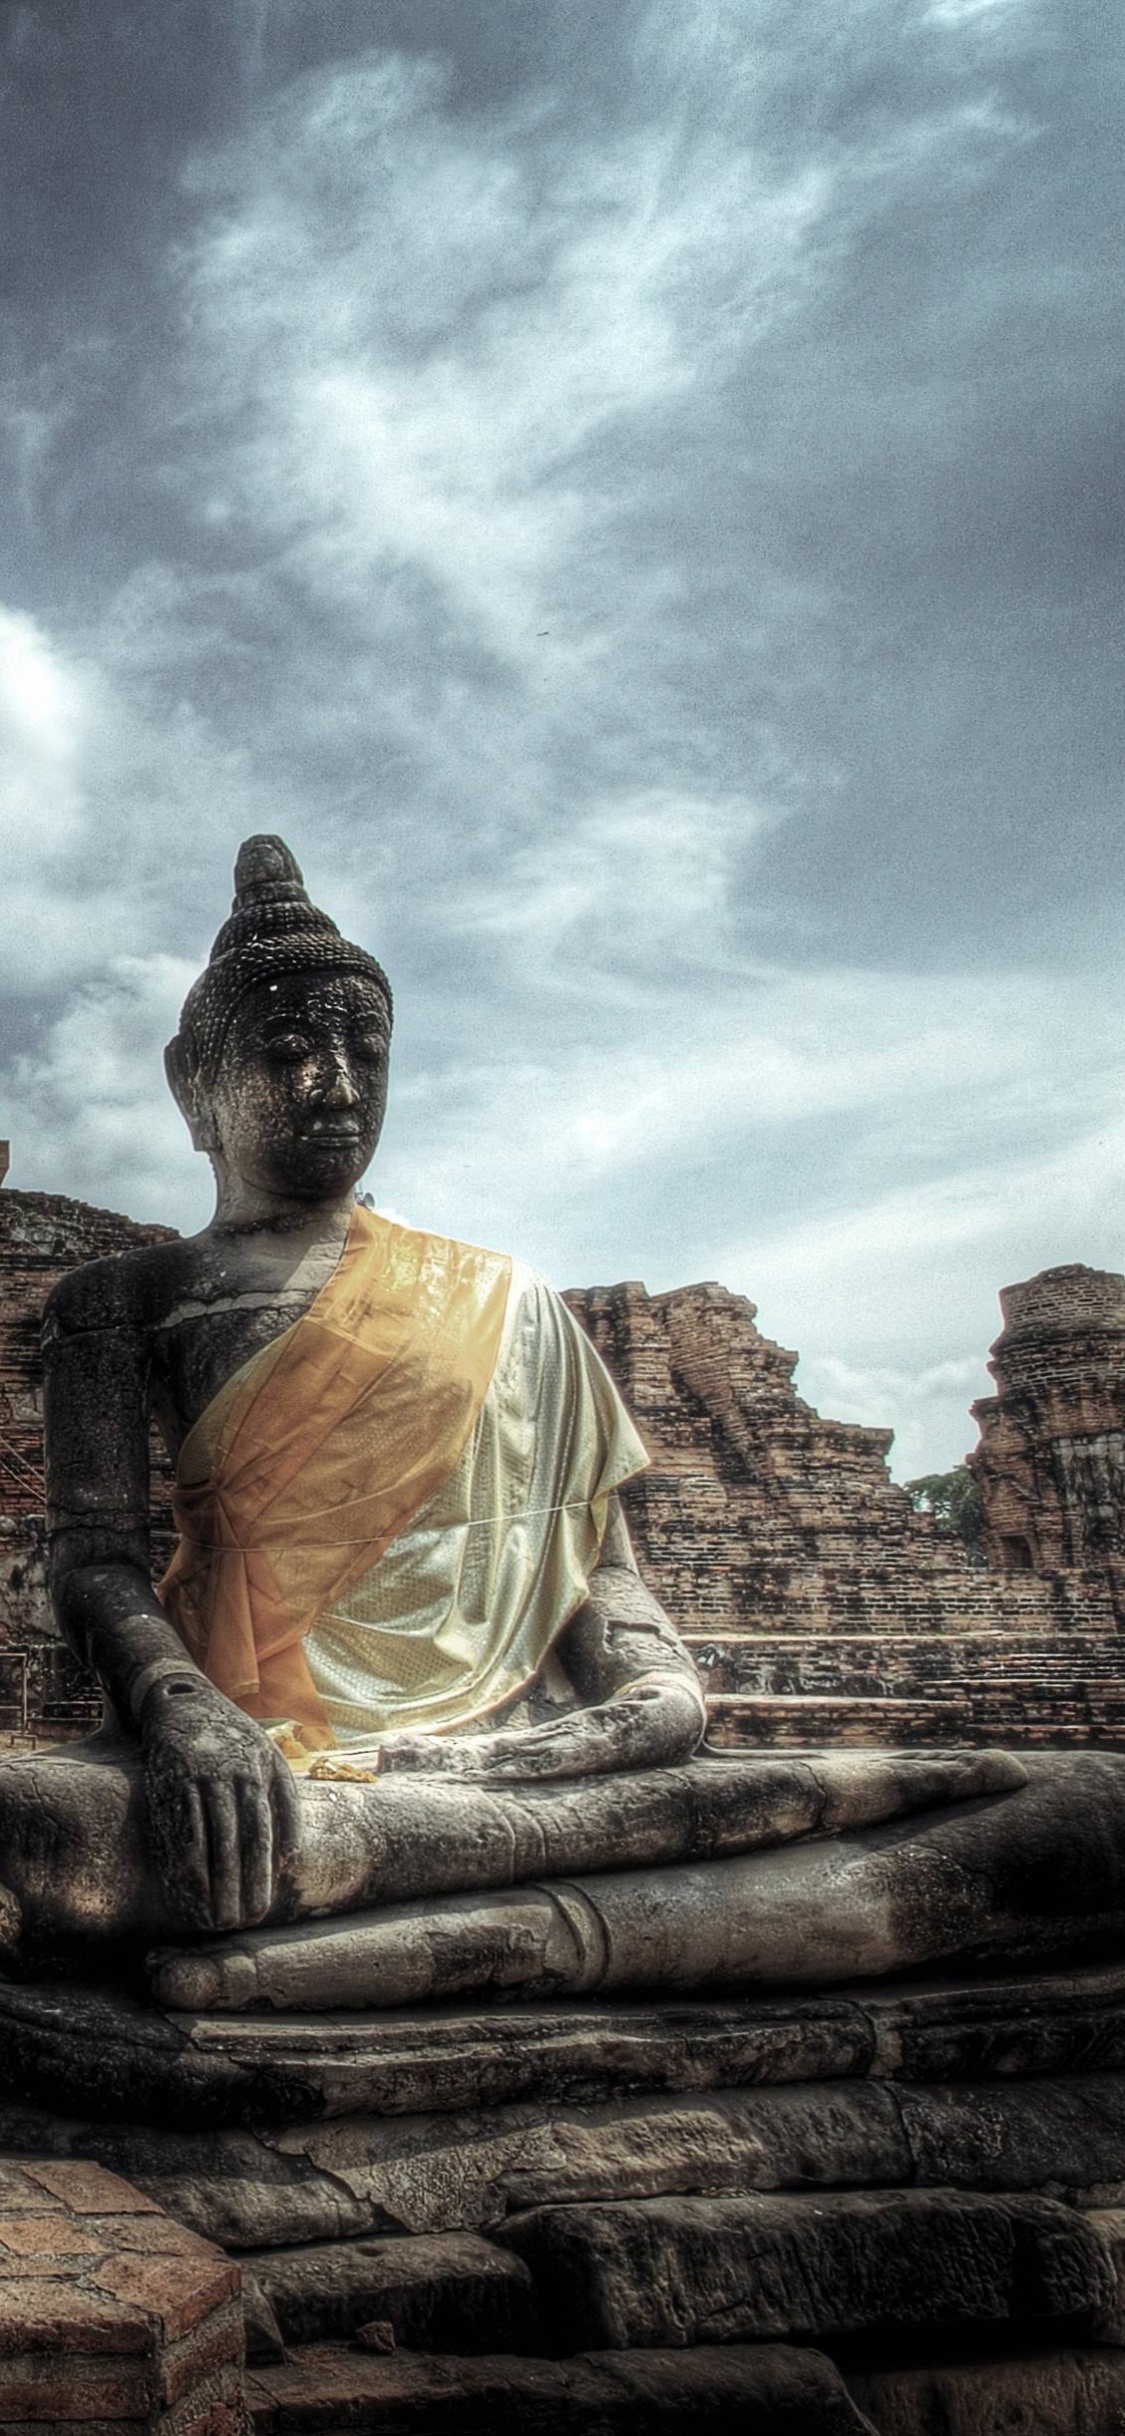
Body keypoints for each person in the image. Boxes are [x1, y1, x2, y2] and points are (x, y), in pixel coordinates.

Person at [43, 837, 705, 1935]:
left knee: (1055, 1817)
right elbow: (93, 1563)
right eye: (289, 1050)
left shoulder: (507, 1297)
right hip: (261, 1746)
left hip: (534, 1748)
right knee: (46, 1835)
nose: (336, 1085)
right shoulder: (124, 1298)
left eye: (366, 1050)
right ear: (193, 1083)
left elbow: (596, 1570)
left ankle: (388, 1920)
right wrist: (183, 1712)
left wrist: (659, 1690)